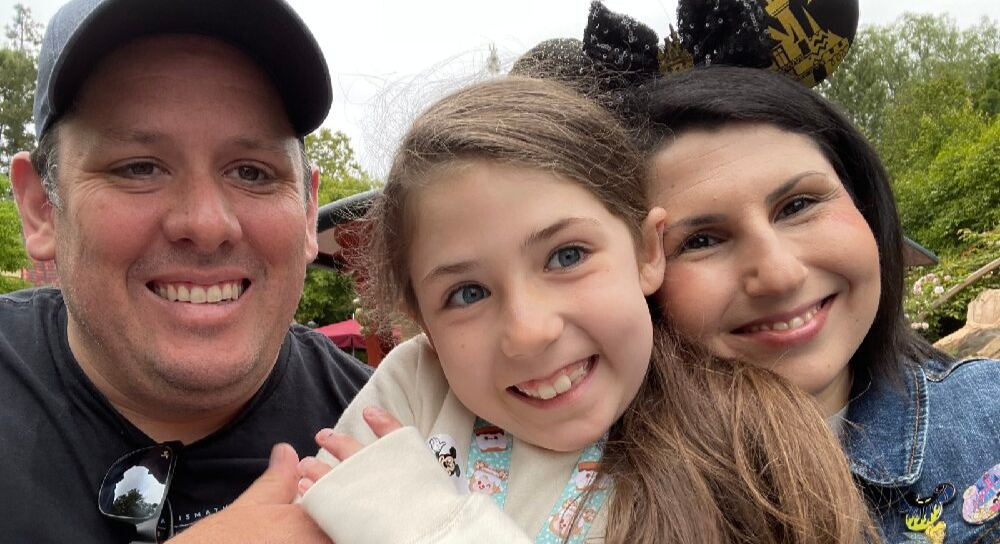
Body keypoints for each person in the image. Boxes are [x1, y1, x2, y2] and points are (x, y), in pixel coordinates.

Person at [292, 76, 877, 544]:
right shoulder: (415, 390)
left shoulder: (754, 448)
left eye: (566, 255)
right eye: (466, 294)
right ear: (421, 322)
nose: (529, 332)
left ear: (648, 251)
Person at [1, 0, 371, 542]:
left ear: (309, 211)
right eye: (138, 168)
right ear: (40, 207)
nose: (206, 223)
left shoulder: (389, 425)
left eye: (252, 172)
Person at [639, 66, 1000, 544]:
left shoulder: (989, 416)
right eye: (702, 240)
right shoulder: (601, 505)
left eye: (797, 205)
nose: (780, 275)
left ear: (864, 205)